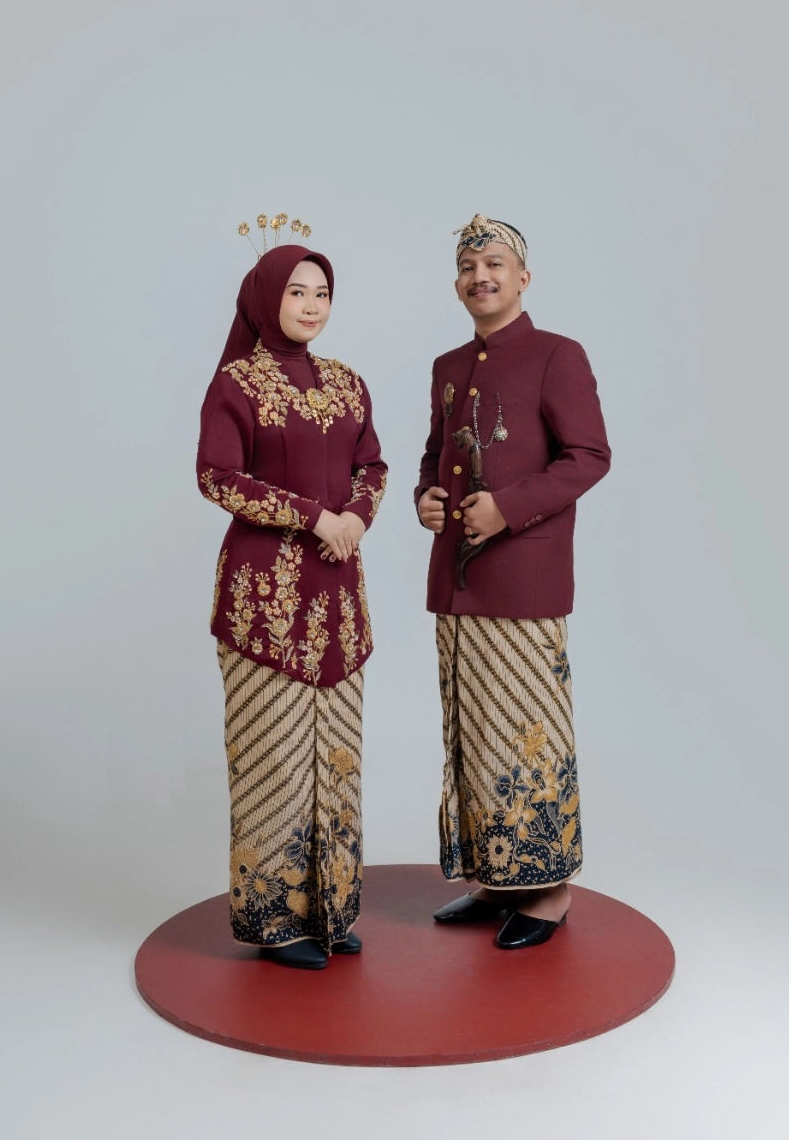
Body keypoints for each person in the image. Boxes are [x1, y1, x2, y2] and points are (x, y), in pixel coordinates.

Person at [416, 214, 611, 949]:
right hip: (457, 580)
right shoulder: (447, 366)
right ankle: (498, 878)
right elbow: (434, 453)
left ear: (523, 277)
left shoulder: (558, 354)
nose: (481, 277)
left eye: (495, 263)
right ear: (456, 283)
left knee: (529, 735)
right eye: (468, 267)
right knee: (472, 732)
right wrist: (425, 498)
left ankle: (549, 890)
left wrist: (507, 508)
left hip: (524, 577)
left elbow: (588, 455)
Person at [197, 218, 387, 969]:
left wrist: (356, 520)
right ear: (266, 297)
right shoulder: (236, 384)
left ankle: (331, 912)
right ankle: (275, 924)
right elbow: (217, 476)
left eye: (323, 293)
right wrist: (315, 518)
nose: (312, 305)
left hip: (337, 596)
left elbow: (372, 466)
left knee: (336, 754)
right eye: (297, 292)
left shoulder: (347, 382)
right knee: (273, 757)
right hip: (265, 603)